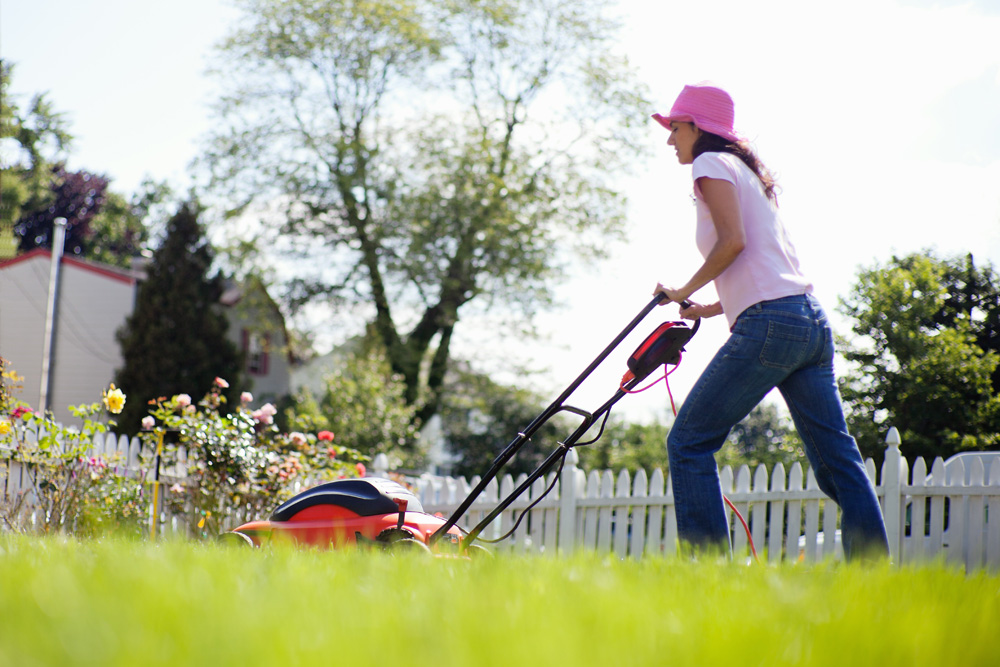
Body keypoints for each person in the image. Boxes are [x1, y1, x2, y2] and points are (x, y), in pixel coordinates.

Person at [650, 82, 889, 561]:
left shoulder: (709, 164)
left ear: (697, 127)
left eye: (675, 127)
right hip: (808, 323)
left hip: (772, 326)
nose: (669, 138)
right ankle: (876, 577)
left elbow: (733, 243)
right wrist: (709, 309)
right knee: (836, 460)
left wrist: (682, 291)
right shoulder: (747, 173)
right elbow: (764, 268)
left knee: (689, 441)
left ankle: (708, 575)